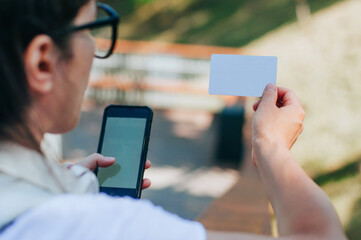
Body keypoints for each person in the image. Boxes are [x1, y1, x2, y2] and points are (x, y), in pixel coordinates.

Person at [0, 0, 347, 239]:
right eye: (92, 27)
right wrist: (271, 147)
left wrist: (61, 183)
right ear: (43, 63)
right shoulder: (86, 226)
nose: (94, 48)